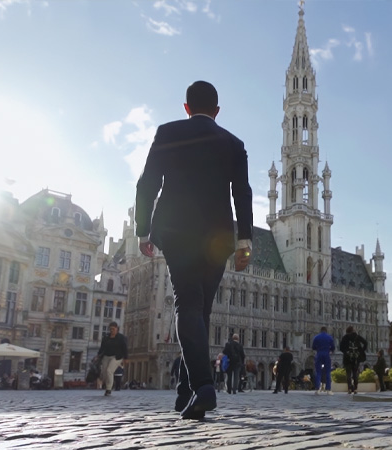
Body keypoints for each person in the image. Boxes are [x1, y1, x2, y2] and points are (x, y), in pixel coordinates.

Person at [136, 80, 253, 420]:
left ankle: (201, 386)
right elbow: (242, 192)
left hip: (176, 230)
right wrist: (244, 239)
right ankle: (187, 390)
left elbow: (147, 183)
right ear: (217, 111)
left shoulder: (168, 132)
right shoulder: (234, 143)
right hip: (218, 237)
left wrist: (142, 230)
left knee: (187, 303)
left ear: (186, 108)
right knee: (201, 310)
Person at [97, 321, 127, 397]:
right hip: (106, 356)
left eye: (113, 329)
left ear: (117, 329)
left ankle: (108, 389)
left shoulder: (121, 337)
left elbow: (125, 348)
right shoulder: (106, 337)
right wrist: (98, 355)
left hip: (117, 357)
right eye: (110, 329)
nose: (112, 330)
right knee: (104, 372)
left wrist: (126, 358)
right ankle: (107, 384)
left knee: (109, 371)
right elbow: (102, 348)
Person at [339, 326, 367, 394]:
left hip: (347, 358)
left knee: (348, 373)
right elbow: (365, 343)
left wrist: (346, 352)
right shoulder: (357, 336)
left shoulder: (345, 337)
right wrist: (361, 351)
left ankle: (349, 388)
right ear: (353, 330)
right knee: (355, 373)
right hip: (356, 357)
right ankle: (355, 388)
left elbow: (341, 347)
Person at [312, 326, 335, 395]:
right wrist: (329, 350)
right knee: (328, 372)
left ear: (320, 330)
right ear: (326, 331)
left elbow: (313, 347)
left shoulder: (316, 337)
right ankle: (328, 389)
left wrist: (318, 348)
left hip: (319, 354)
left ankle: (317, 389)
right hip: (326, 354)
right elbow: (333, 347)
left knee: (318, 372)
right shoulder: (330, 337)